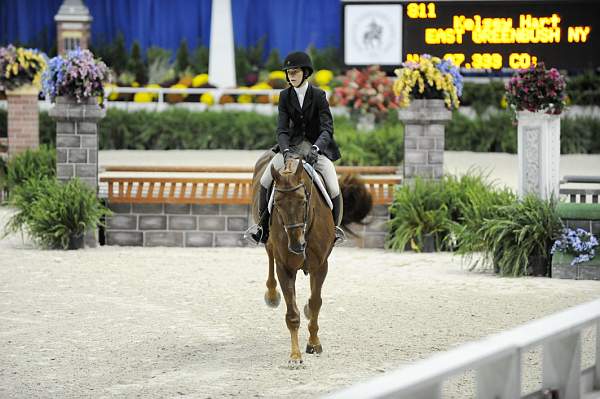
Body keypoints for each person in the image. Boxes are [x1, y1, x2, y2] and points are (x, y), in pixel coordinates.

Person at [245, 50, 345, 246]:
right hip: (291, 148)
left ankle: (334, 230)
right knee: (266, 180)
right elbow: (281, 129)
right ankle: (263, 228)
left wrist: (317, 148)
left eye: (295, 72)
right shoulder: (284, 96)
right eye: (289, 73)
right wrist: (285, 151)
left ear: (305, 73)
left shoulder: (318, 95)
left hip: (315, 149)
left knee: (332, 184)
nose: (291, 76)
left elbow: (327, 128)